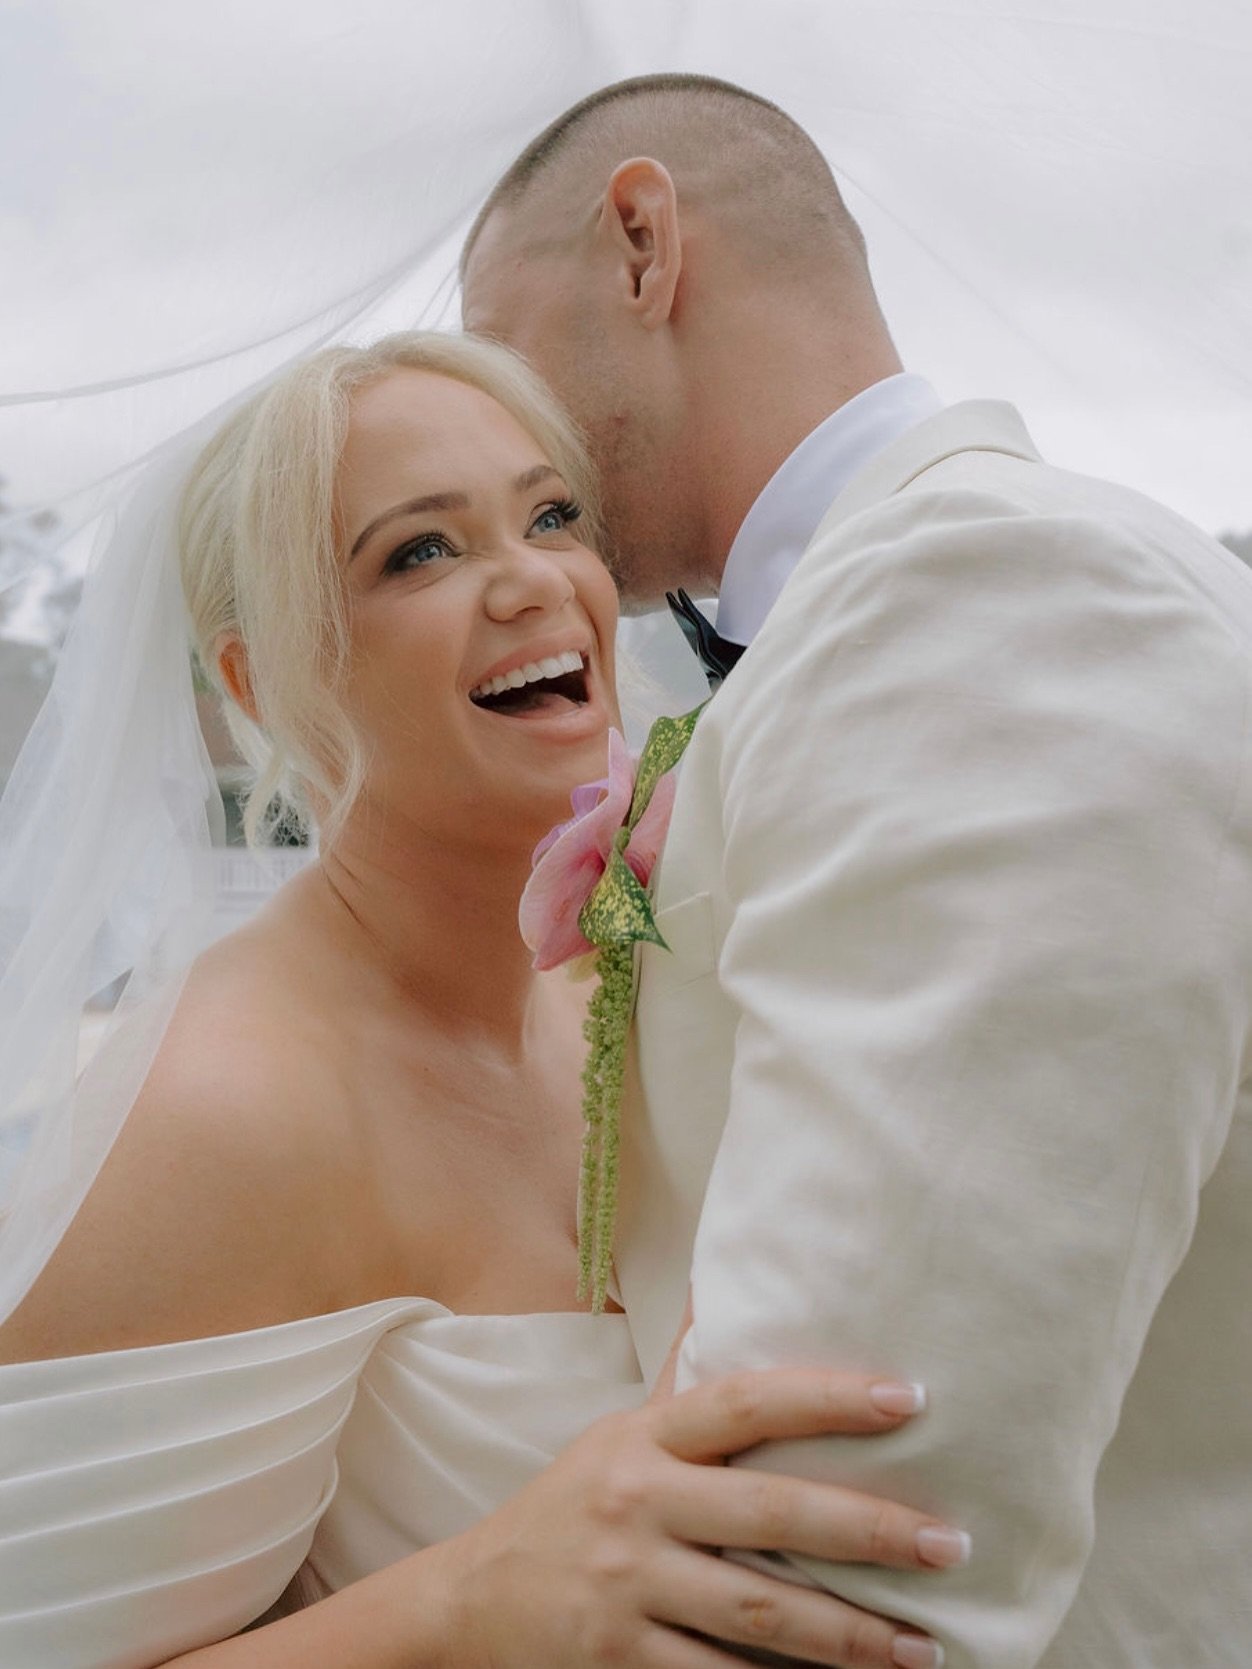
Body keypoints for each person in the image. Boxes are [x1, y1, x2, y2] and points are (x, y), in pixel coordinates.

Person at [0, 331, 967, 1669]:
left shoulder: (643, 976)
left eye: (553, 515)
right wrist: (470, 1600)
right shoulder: (232, 1108)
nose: (532, 582)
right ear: (261, 682)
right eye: (419, 551)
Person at [461, 73, 1252, 1666]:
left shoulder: (989, 593)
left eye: (505, 354)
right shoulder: (881, 616)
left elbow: (852, 1537)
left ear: (642, 243)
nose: (504, 434)